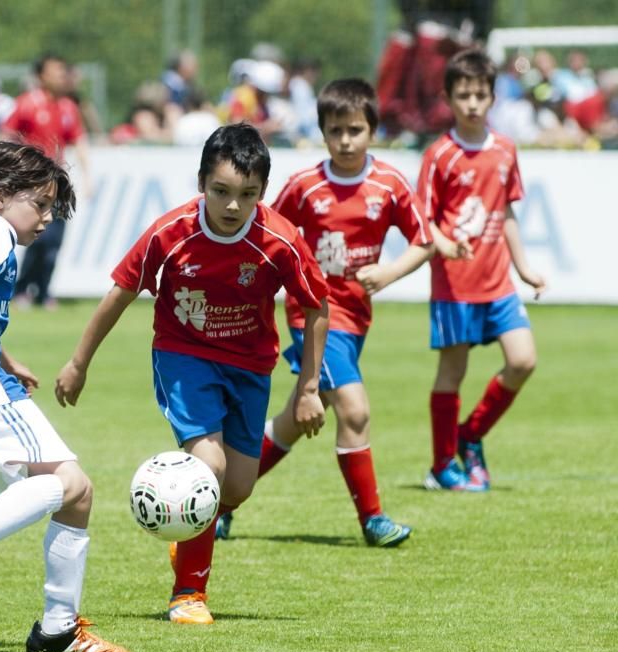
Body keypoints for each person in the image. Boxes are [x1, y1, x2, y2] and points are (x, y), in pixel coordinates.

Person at [55, 123, 330, 625]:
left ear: (262, 194)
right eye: (221, 191)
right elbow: (120, 291)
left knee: (239, 488)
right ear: (201, 182)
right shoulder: (171, 232)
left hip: (250, 365)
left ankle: (189, 531)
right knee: (210, 464)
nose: (232, 206)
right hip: (185, 357)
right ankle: (188, 595)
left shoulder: (281, 239)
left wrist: (308, 386)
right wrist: (78, 362)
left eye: (247, 195)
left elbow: (316, 307)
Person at [218, 79, 456, 546]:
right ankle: (372, 520)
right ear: (323, 132)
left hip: (356, 318)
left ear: (373, 130)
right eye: (335, 131)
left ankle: (221, 506)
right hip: (314, 318)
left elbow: (424, 242)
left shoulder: (388, 184)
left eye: (355, 129)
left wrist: (387, 275)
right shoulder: (305, 186)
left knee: (290, 422)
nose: (346, 140)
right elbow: (265, 230)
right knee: (355, 410)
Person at [0, 141, 130, 652]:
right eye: (39, 205)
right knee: (70, 482)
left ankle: (58, 630)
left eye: (51, 209)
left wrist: (5, 355)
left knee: (75, 492)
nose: (45, 219)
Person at [419, 49, 545, 492]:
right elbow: (424, 221)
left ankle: (469, 435)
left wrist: (525, 269)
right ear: (449, 98)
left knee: (523, 360)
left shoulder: (506, 151)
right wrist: (446, 244)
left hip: (499, 285)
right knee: (452, 374)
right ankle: (441, 465)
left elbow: (506, 214)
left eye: (480, 94)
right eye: (463, 95)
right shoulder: (440, 155)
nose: (472, 103)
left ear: (493, 97)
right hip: (455, 286)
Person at [0, 53, 91, 309]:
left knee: (55, 241)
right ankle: (22, 289)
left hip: (57, 183)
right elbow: (6, 135)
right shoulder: (27, 103)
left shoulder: (68, 107)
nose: (61, 76)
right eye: (55, 71)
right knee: (36, 238)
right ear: (41, 76)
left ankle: (43, 290)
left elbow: (79, 141)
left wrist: (87, 176)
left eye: (62, 71)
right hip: (32, 183)